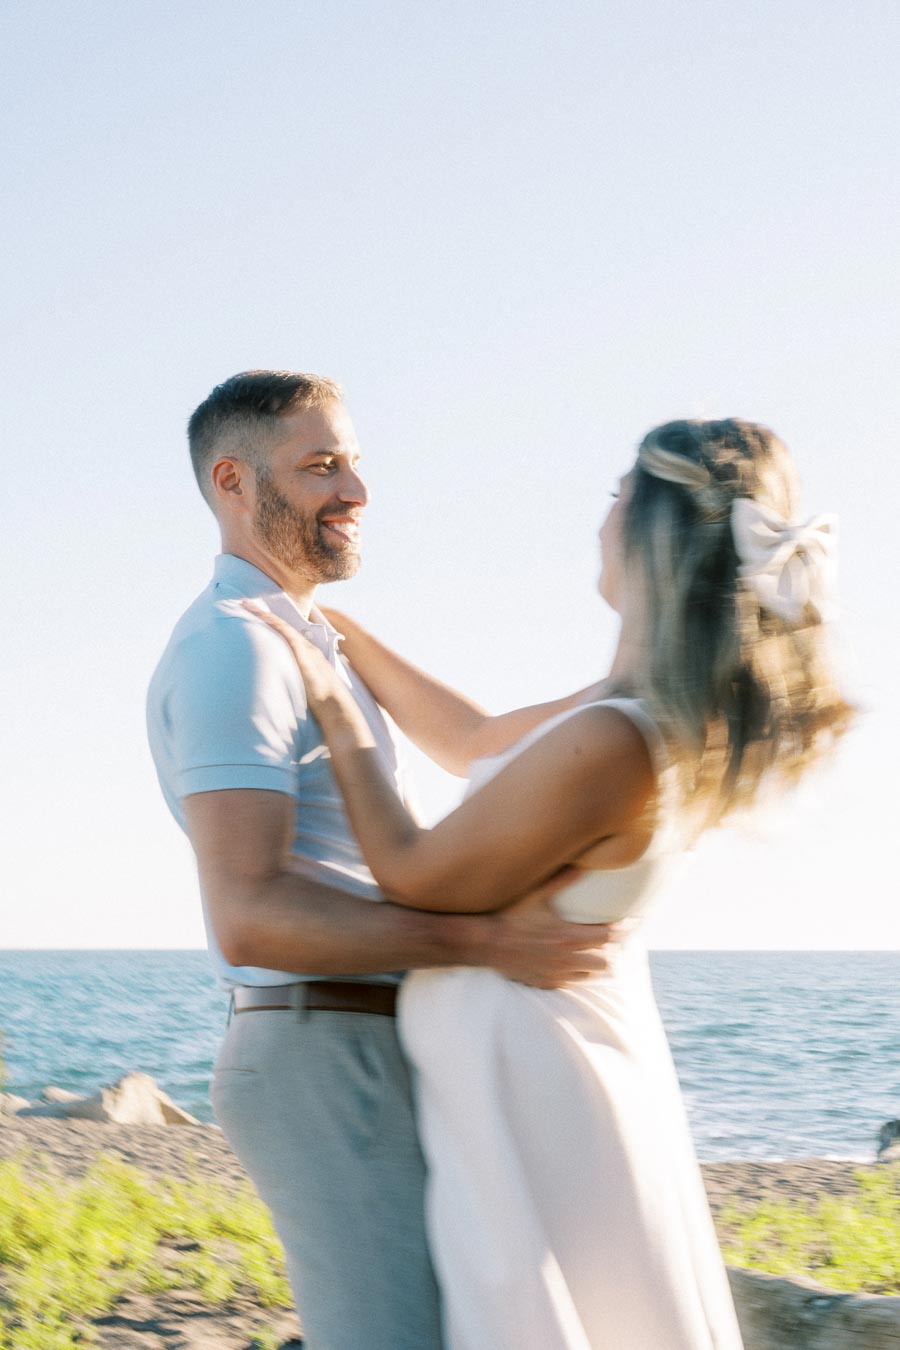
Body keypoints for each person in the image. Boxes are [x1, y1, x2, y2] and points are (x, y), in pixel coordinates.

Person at [246, 417, 854, 1350]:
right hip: (533, 1074)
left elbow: (415, 876)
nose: (601, 517)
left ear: (652, 533)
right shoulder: (628, 713)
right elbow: (475, 741)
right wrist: (334, 632)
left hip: (536, 1093)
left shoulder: (617, 742)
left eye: (618, 496)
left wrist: (335, 712)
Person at [146, 369, 616, 1350]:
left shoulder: (315, 638)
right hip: (322, 1049)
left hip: (377, 1036)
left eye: (355, 463)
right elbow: (251, 914)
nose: (356, 492)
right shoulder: (235, 648)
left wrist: (661, 669)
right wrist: (486, 942)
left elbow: (482, 740)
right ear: (233, 482)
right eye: (322, 467)